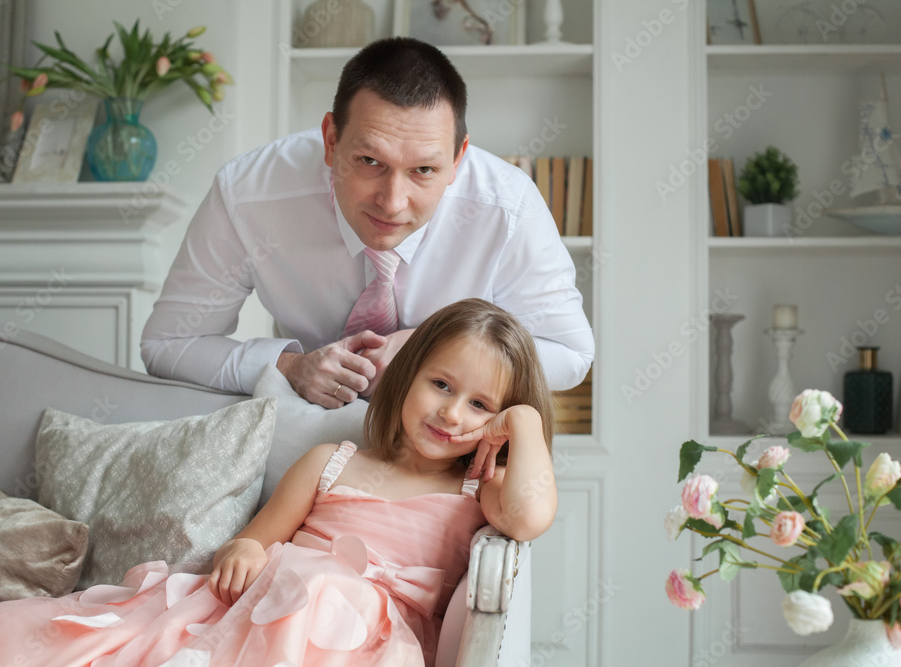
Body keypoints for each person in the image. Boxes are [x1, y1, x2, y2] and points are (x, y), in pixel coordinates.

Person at [0, 299, 556, 666]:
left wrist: (525, 421)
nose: (451, 413)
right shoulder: (332, 462)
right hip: (271, 609)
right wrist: (242, 552)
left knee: (335, 593)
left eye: (481, 405)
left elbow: (529, 518)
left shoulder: (478, 490)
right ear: (408, 377)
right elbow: (255, 540)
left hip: (365, 645)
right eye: (441, 385)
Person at [140, 36, 593, 408]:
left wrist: (436, 350)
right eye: (370, 161)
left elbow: (570, 354)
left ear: (458, 159)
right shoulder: (247, 194)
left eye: (424, 170)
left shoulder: (508, 206)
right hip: (305, 427)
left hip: (452, 443)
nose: (392, 203)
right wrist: (288, 366)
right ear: (331, 140)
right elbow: (167, 343)